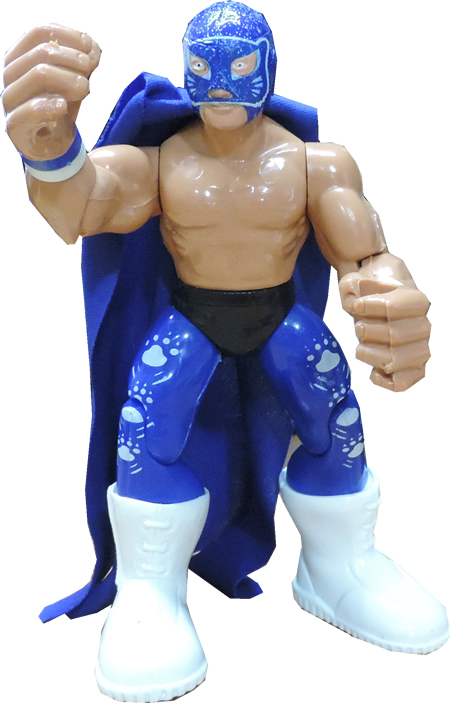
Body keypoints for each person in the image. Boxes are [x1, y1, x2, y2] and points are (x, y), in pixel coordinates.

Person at [3, 3, 448, 702]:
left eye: (238, 64)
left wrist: (393, 296)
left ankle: (340, 563)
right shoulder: (165, 162)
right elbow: (82, 206)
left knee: (336, 423)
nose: (219, 83)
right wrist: (50, 148)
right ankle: (150, 585)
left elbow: (365, 255)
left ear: (267, 67)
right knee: (145, 432)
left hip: (281, 318)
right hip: (193, 317)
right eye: (203, 65)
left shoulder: (314, 163)